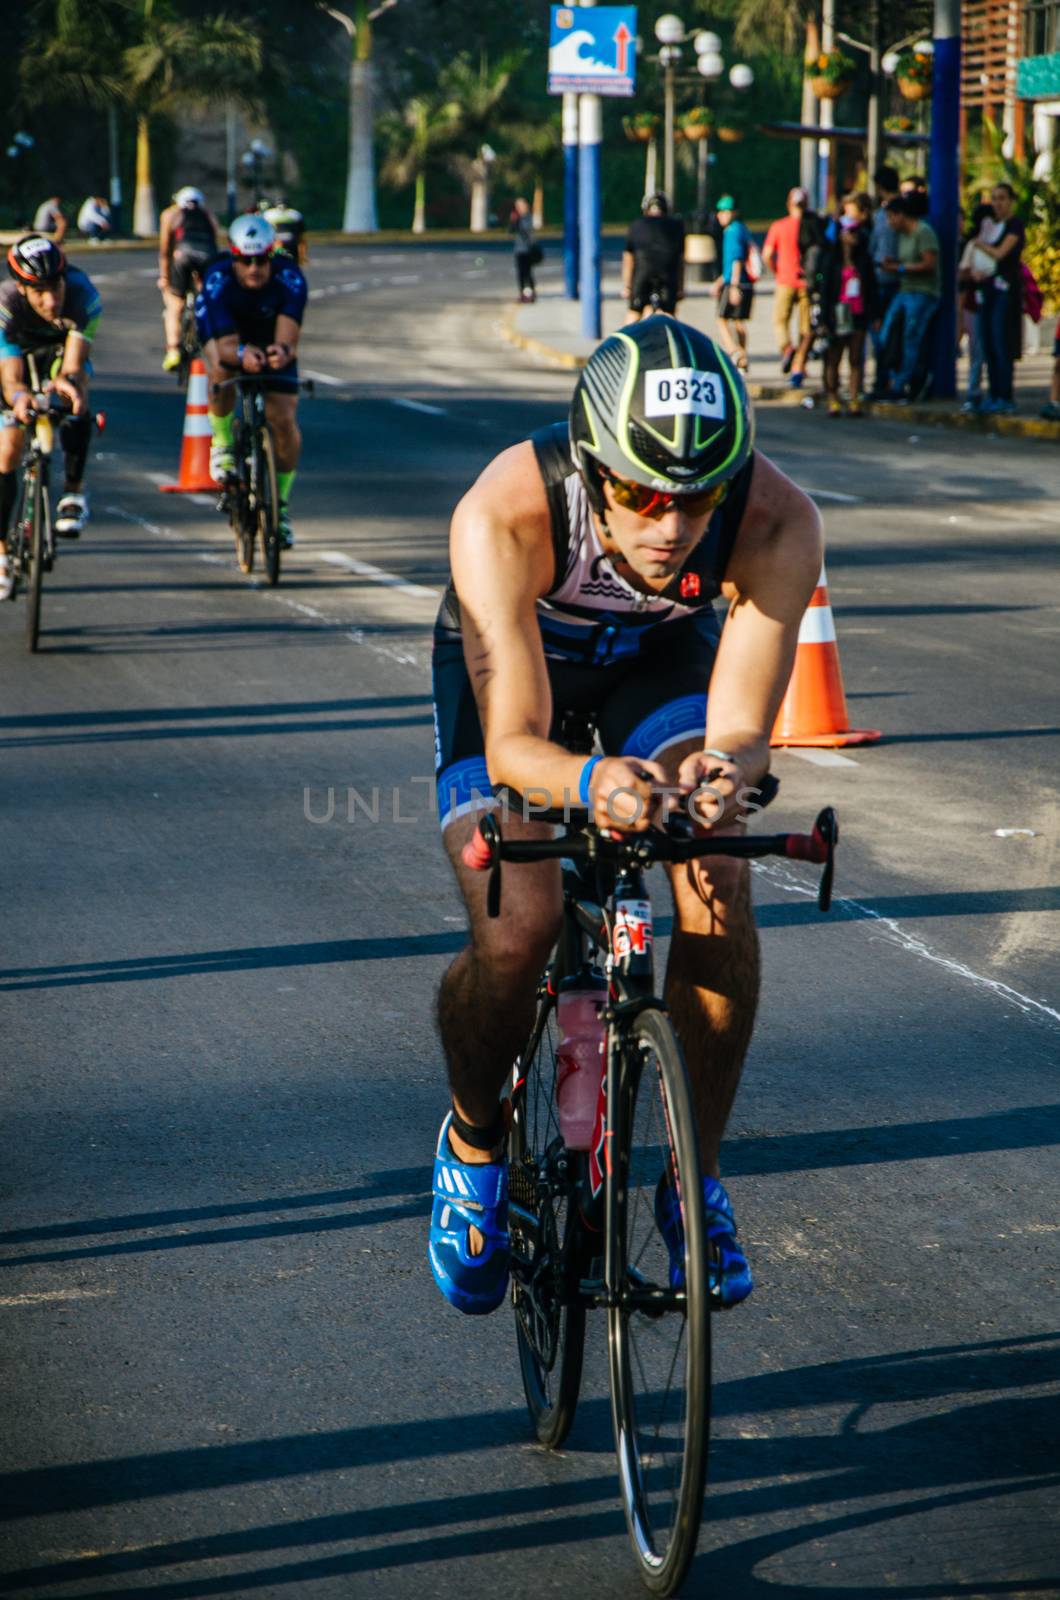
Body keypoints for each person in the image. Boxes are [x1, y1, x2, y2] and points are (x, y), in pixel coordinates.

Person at [428, 315, 822, 1316]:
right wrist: (590, 784)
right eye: (641, 493)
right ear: (594, 466)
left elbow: (738, 734)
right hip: (523, 672)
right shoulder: (506, 511)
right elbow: (515, 741)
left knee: (716, 872)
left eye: (694, 498)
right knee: (519, 929)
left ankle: (696, 1183)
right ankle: (474, 1144)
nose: (670, 524)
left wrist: (718, 779)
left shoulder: (775, 520)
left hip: (653, 661)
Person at [195, 213, 307, 549]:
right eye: (245, 261)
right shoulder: (218, 278)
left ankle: (281, 508)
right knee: (221, 372)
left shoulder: (290, 277)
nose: (254, 268)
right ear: (233, 257)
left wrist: (279, 353)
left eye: (261, 260)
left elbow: (289, 339)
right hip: (229, 336)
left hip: (270, 334)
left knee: (283, 419)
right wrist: (242, 353)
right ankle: (224, 442)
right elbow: (224, 348)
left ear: (272, 255)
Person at [0, 236, 102, 593]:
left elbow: (72, 363)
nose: (51, 298)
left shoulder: (83, 295)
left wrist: (67, 385)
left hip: (58, 350)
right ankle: (1, 552)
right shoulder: (5, 304)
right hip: (15, 356)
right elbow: (11, 379)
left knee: (77, 395)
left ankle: (73, 492)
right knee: (7, 452)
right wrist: (20, 399)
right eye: (39, 291)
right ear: (22, 288)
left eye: (55, 286)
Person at [875, 196, 940, 400]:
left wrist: (899, 268)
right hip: (904, 290)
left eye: (891, 217)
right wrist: (892, 263)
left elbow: (929, 264)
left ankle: (903, 385)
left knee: (910, 338)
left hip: (923, 292)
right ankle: (891, 379)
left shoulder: (923, 232)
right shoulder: (902, 235)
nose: (889, 222)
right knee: (886, 334)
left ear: (902, 215)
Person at [819, 193, 877, 417]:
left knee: (856, 358)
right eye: (847, 232)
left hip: (857, 313)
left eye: (853, 232)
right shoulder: (831, 261)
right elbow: (825, 292)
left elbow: (871, 288)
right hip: (836, 313)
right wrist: (824, 318)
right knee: (834, 357)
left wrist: (875, 314)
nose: (850, 236)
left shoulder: (863, 260)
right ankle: (833, 397)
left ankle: (854, 398)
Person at [973, 181, 1026, 415]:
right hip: (988, 288)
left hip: (1006, 288)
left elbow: (1001, 253)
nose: (998, 203)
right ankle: (993, 393)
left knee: (1001, 340)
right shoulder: (989, 227)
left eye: (1002, 198)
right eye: (994, 198)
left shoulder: (1014, 226)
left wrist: (979, 244)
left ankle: (1005, 395)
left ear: (1011, 200)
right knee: (987, 341)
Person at [158, 186, 221, 374]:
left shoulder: (172, 215)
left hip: (182, 255)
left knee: (174, 304)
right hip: (208, 257)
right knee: (206, 298)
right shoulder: (209, 215)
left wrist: (164, 276)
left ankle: (173, 349)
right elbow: (215, 243)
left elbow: (165, 251)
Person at [762, 187, 811, 387]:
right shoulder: (812, 225)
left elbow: (766, 255)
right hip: (808, 282)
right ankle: (799, 365)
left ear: (788, 204)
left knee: (779, 321)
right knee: (806, 327)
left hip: (785, 281)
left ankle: (787, 349)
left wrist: (777, 271)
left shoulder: (779, 226)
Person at [957, 202, 999, 414]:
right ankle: (974, 393)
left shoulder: (1001, 239)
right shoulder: (972, 244)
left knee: (995, 349)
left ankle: (996, 394)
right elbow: (962, 272)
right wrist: (973, 274)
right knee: (976, 349)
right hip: (975, 302)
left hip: (997, 300)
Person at [622, 192, 685, 319]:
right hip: (667, 274)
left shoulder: (636, 225)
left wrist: (628, 287)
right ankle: (672, 336)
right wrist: (680, 288)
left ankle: (626, 337)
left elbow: (628, 260)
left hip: (642, 274)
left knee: (634, 312)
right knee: (669, 315)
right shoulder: (676, 226)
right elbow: (680, 261)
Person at [713, 196, 754, 373]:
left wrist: (734, 286)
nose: (721, 215)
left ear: (734, 213)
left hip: (736, 282)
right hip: (745, 282)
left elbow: (736, 260)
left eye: (725, 212)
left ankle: (735, 353)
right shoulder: (742, 229)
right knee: (738, 322)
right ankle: (742, 360)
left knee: (721, 319)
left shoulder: (732, 231)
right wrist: (719, 281)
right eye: (720, 212)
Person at [869, 164, 901, 391]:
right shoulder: (882, 214)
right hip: (882, 279)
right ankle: (883, 379)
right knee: (883, 333)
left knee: (887, 334)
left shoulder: (886, 214)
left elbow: (874, 247)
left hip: (893, 279)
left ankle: (887, 379)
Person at [263, 198, 308, 268]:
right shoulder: (295, 214)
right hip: (292, 241)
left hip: (276, 241)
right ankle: (302, 258)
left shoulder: (268, 214)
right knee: (301, 241)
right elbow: (301, 230)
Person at [509, 197, 538, 304]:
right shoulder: (518, 218)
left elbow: (526, 230)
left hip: (527, 249)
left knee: (527, 273)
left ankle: (532, 293)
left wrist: (517, 222)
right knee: (521, 273)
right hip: (519, 249)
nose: (518, 208)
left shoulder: (527, 217)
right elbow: (511, 230)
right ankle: (522, 293)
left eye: (519, 206)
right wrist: (513, 221)